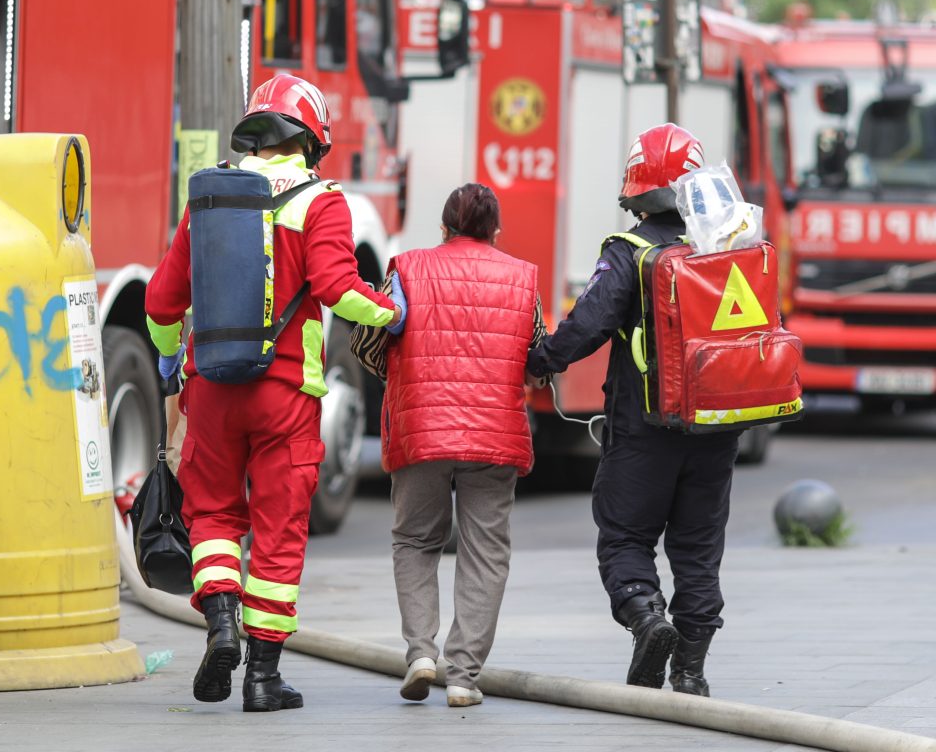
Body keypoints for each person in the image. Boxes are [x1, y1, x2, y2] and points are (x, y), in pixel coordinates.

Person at [144, 74, 402, 712]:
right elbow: (340, 290)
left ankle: (221, 624)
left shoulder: (209, 201)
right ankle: (262, 678)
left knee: (213, 518)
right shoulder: (322, 201)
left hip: (209, 389)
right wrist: (392, 313)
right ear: (311, 142)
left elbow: (159, 301)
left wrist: (172, 354)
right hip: (285, 395)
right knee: (278, 530)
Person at [526, 124, 738, 697]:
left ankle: (648, 620)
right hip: (718, 427)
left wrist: (541, 359)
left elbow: (590, 323)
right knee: (697, 548)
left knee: (623, 536)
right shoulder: (730, 249)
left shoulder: (632, 251)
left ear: (638, 192)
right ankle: (690, 673)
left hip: (644, 427)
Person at [382, 183, 544, 708]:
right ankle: (463, 677)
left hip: (422, 428)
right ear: (494, 231)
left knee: (415, 540)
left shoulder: (405, 268)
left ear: (444, 228)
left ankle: (422, 654)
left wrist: (405, 381)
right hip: (493, 433)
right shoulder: (522, 279)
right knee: (485, 551)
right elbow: (535, 353)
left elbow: (371, 339)